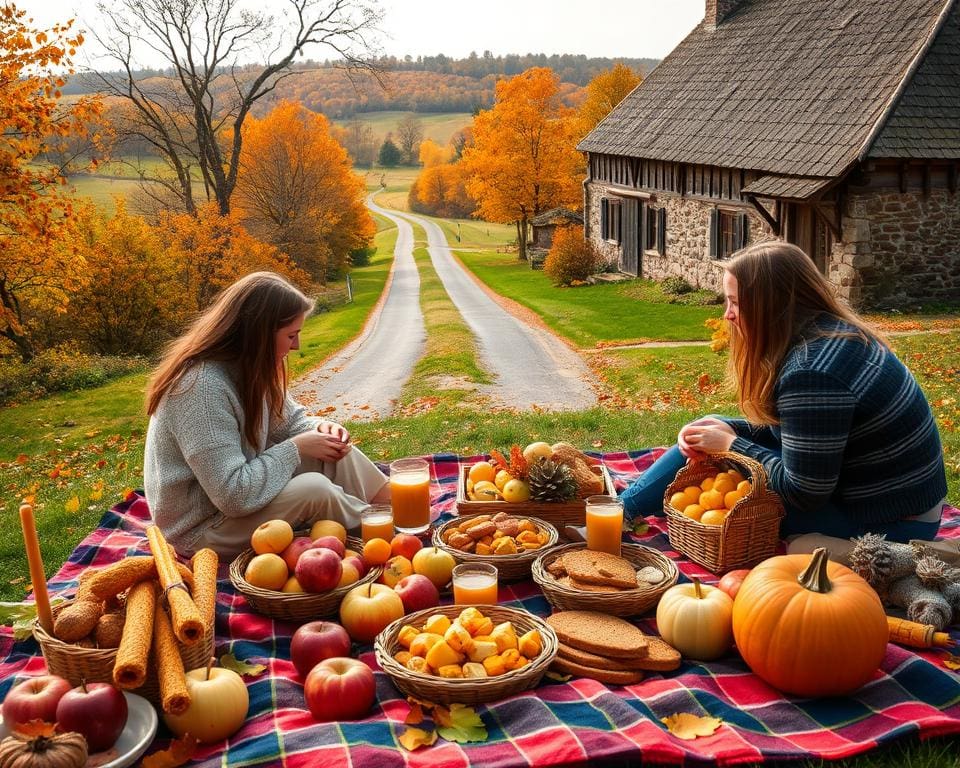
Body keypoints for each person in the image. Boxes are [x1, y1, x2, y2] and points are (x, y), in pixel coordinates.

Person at [620, 241, 947, 545]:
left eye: (735, 302)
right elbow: (800, 434)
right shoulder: (829, 335)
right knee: (714, 426)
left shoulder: (813, 372)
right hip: (885, 499)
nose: (727, 314)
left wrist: (732, 446)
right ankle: (619, 510)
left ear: (770, 306)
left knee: (729, 497)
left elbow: (803, 493)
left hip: (893, 524)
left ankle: (616, 515)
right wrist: (726, 432)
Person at [144, 272, 390, 558]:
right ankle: (388, 534)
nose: (295, 346)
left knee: (331, 446)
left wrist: (321, 428)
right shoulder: (199, 389)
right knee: (315, 490)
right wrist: (297, 448)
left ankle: (399, 507)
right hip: (202, 531)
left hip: (237, 501)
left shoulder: (247, 369)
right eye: (290, 335)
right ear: (258, 335)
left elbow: (293, 423)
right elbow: (233, 495)